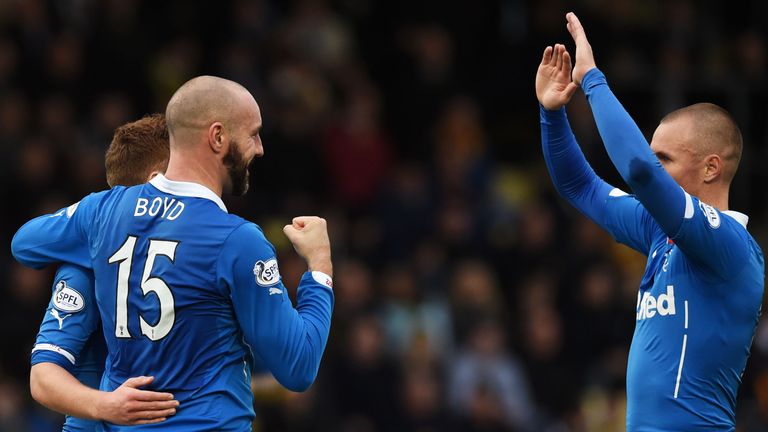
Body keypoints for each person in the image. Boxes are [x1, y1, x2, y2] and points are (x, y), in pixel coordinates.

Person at [12, 76, 335, 431]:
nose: (259, 148)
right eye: (253, 134)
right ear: (217, 137)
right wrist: (319, 265)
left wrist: (97, 248)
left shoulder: (102, 214)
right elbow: (299, 368)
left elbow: (24, 244)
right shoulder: (238, 240)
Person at [535, 12, 764, 431]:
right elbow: (579, 187)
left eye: (666, 159)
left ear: (711, 168)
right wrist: (552, 113)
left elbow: (639, 169)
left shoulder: (730, 245)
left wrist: (593, 80)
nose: (655, 167)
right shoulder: (662, 231)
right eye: (656, 155)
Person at [30, 114, 178, 430]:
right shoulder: (86, 268)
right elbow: (43, 377)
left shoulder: (186, 256)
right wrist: (106, 405)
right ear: (155, 179)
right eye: (182, 170)